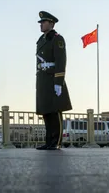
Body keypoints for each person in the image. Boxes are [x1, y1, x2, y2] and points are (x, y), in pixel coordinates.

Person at [35, 11, 73, 150]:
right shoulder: (41, 40)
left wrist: (59, 82)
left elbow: (61, 60)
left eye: (43, 22)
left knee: (55, 111)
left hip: (52, 78)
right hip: (43, 78)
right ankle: (48, 141)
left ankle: (56, 141)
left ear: (51, 23)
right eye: (41, 23)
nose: (41, 25)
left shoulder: (57, 39)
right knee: (46, 111)